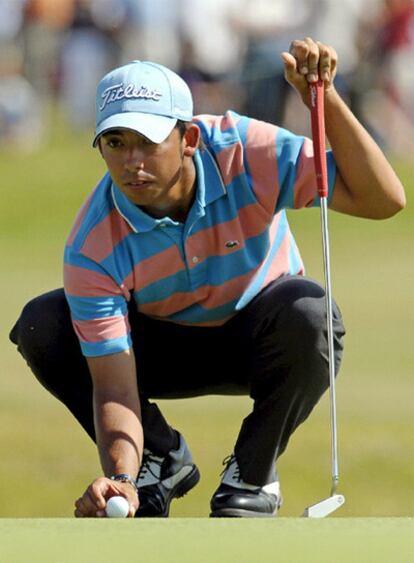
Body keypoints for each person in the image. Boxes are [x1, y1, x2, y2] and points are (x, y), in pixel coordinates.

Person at [10, 38, 405, 518]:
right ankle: (156, 462)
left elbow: (383, 200)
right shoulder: (92, 244)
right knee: (43, 324)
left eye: (148, 142)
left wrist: (323, 100)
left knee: (310, 312)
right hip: (157, 349)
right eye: (115, 143)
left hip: (259, 339)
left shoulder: (247, 152)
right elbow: (115, 388)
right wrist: (119, 475)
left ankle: (252, 474)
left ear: (190, 139)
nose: (131, 162)